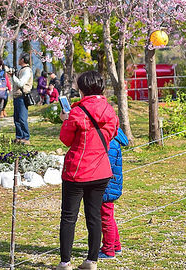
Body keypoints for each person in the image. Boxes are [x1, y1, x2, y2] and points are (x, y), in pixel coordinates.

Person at [56, 70, 119, 270]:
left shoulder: (76, 112)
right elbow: (112, 133)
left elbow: (66, 140)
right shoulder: (110, 110)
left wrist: (65, 119)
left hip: (77, 170)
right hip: (101, 170)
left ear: (82, 89)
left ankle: (65, 262)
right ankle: (92, 261)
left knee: (68, 217)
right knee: (94, 216)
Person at [99, 128, 129, 259]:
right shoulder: (113, 135)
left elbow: (106, 165)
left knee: (106, 217)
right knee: (107, 216)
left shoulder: (110, 142)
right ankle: (115, 245)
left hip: (107, 184)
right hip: (110, 183)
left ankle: (108, 249)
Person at [11, 54, 34, 144]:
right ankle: (19, 137)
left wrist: (13, 76)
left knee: (22, 118)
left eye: (20, 58)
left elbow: (21, 83)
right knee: (16, 118)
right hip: (17, 96)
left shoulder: (27, 70)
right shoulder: (22, 70)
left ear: (23, 60)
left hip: (22, 96)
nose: (18, 60)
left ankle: (26, 137)